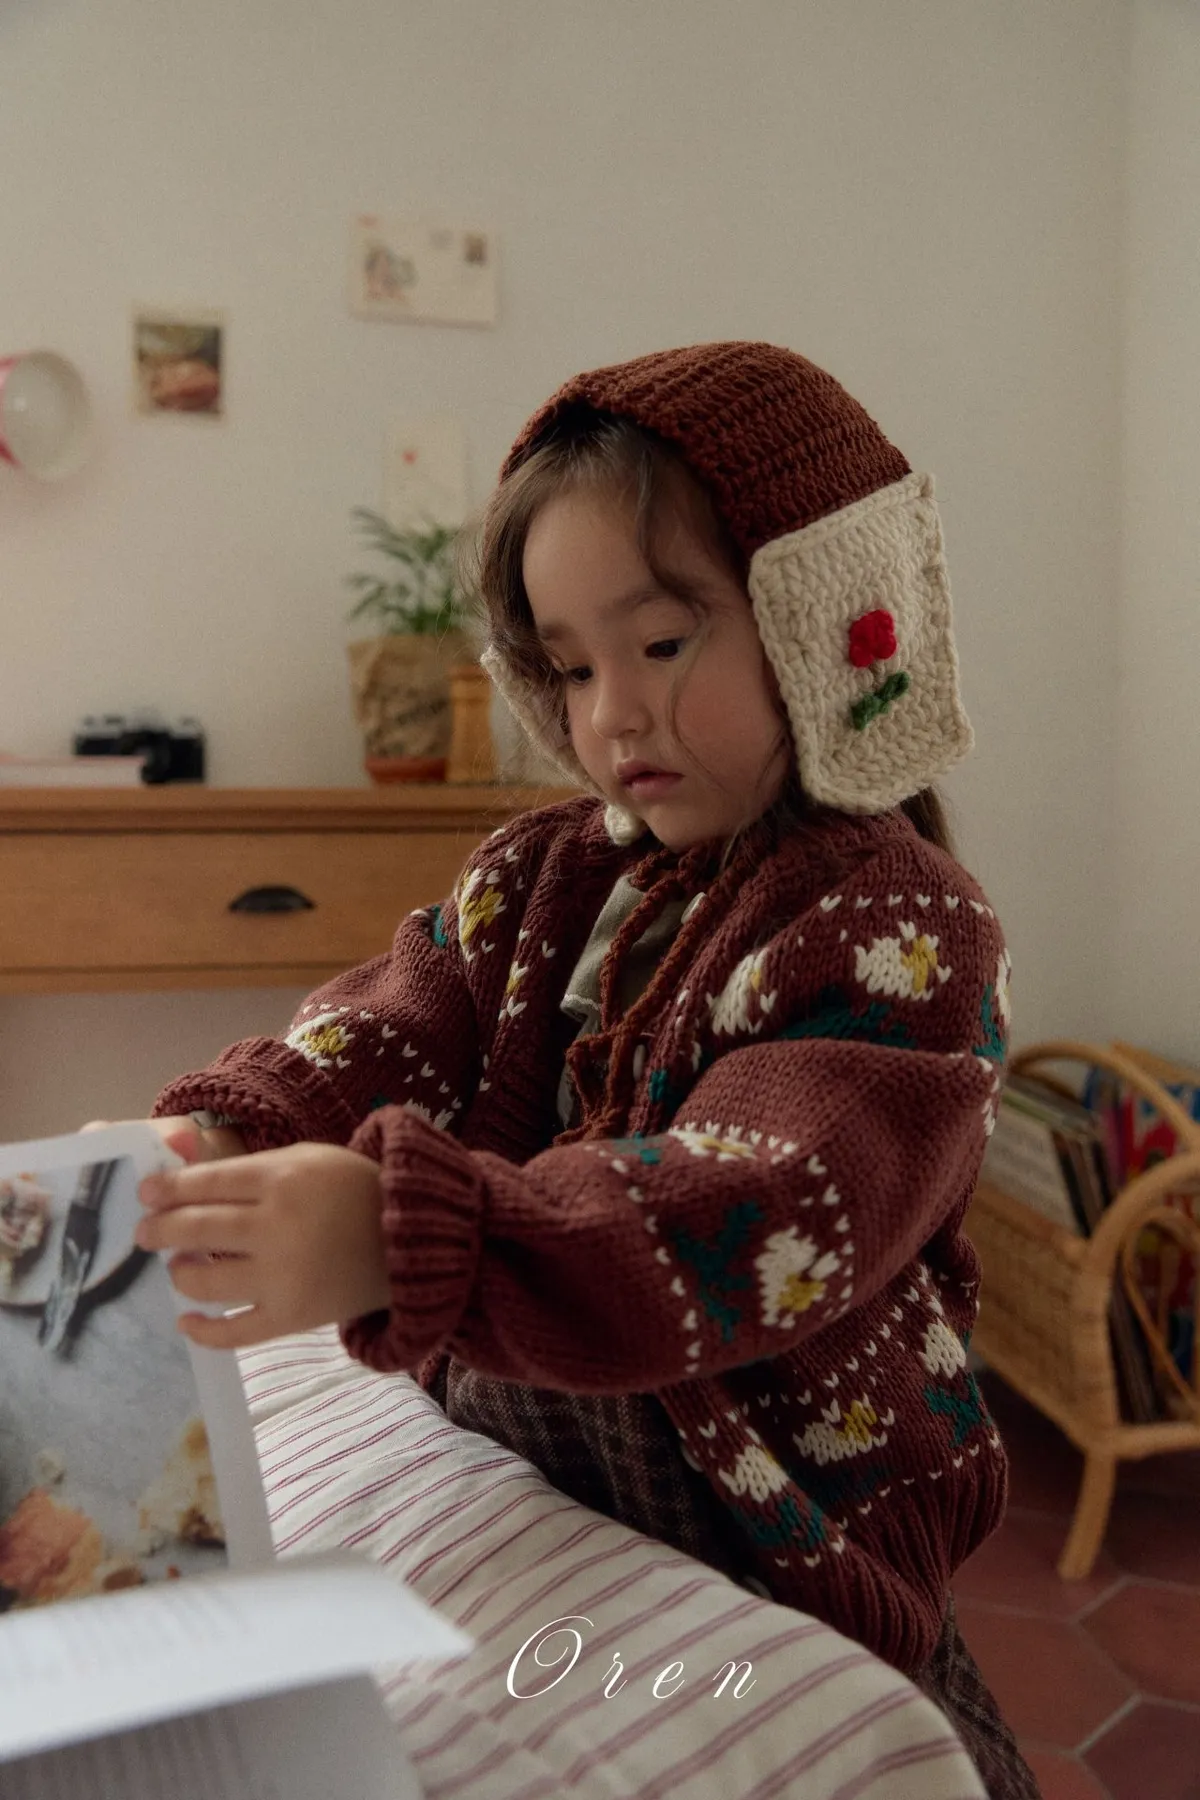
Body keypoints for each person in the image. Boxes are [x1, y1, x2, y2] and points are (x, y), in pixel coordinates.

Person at [132, 343, 1037, 1799]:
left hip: (776, 1528)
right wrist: (238, 1134)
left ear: (822, 622)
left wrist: (389, 1238)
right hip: (542, 1458)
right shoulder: (543, 873)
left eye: (662, 643)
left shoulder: (905, 932)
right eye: (568, 664)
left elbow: (747, 1204)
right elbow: (402, 1014)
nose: (610, 712)